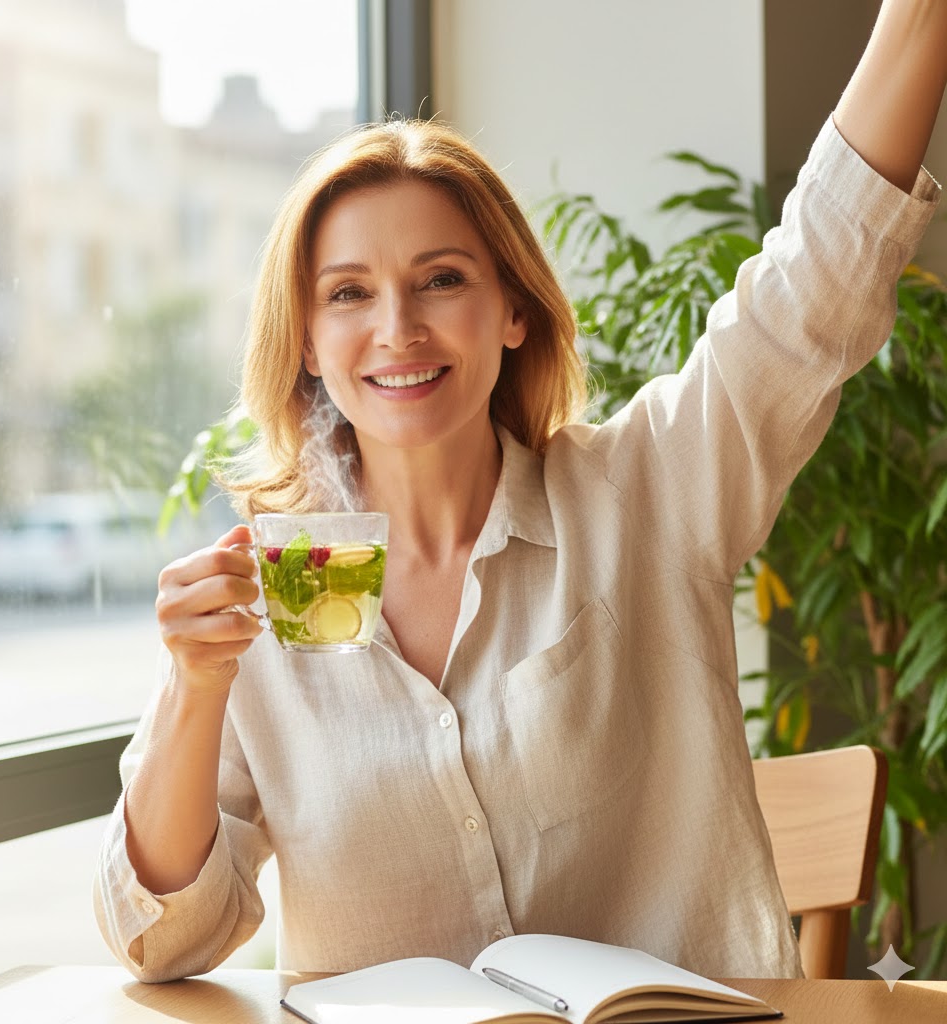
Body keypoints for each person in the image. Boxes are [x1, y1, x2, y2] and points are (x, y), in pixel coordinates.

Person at [95, 0, 945, 983]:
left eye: (441, 279)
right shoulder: (263, 599)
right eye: (347, 293)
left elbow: (816, 287)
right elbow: (160, 939)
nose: (397, 326)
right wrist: (195, 689)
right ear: (309, 347)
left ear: (511, 312)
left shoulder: (650, 489)